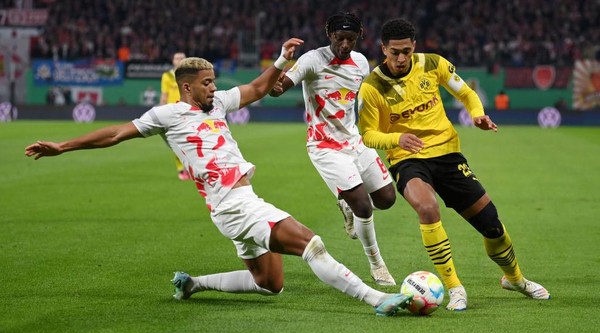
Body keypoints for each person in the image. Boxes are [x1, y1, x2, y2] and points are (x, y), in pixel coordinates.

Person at [24, 38, 413, 317]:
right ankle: (375, 299)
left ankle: (192, 283)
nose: (214, 88)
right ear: (187, 86)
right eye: (207, 83)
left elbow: (260, 88)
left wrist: (280, 60)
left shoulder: (220, 103)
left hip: (231, 206)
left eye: (214, 81)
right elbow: (113, 134)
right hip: (233, 203)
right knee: (311, 244)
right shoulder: (167, 116)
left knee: (269, 283)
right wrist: (63, 146)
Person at [357, 18, 550, 311]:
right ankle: (454, 287)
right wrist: (397, 139)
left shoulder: (433, 64)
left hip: (447, 155)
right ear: (383, 48)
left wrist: (477, 114)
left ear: (414, 47)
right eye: (394, 51)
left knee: (492, 226)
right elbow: (368, 134)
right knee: (427, 207)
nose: (400, 58)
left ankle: (516, 279)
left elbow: (466, 92)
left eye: (406, 51)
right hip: (409, 159)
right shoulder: (372, 88)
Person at [269, 12, 397, 286]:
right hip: (324, 146)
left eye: (351, 39)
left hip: (354, 141)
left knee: (387, 198)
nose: (345, 45)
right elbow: (277, 90)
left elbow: (369, 96)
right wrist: (282, 61)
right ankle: (377, 265)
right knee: (364, 205)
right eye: (340, 38)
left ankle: (345, 202)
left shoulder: (361, 63)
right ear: (330, 36)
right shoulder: (312, 60)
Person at [161, 51, 192, 180]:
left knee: (190, 141)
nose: (179, 60)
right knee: (176, 141)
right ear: (173, 61)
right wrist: (162, 111)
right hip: (172, 112)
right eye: (176, 58)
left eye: (181, 58)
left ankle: (190, 167)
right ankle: (181, 169)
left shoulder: (190, 75)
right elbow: (164, 95)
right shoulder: (167, 76)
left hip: (187, 110)